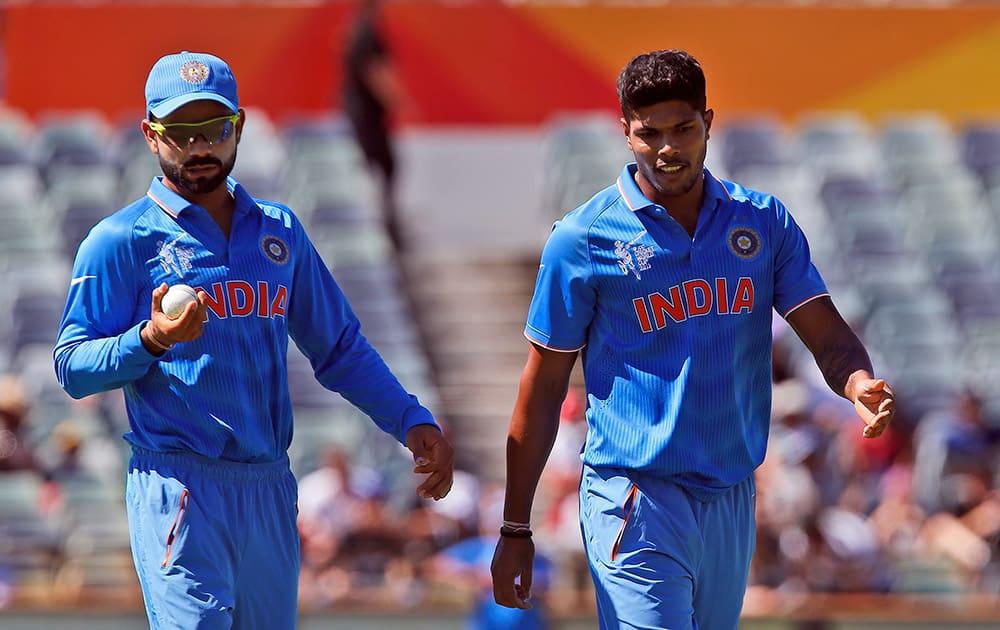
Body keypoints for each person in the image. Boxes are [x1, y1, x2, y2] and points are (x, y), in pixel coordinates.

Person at [490, 49, 895, 630]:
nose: (667, 148)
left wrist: (857, 383)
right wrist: (515, 527)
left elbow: (828, 336)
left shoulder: (762, 223)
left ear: (709, 121)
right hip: (632, 495)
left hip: (731, 494)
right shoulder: (582, 239)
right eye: (649, 133)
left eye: (682, 129)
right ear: (625, 133)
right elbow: (542, 385)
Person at [53, 51, 454, 629]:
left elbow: (338, 348)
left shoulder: (279, 232)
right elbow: (72, 367)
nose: (198, 149)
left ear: (237, 127)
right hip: (180, 486)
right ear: (149, 134)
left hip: (268, 486)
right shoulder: (120, 240)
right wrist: (150, 339)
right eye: (180, 133)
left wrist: (410, 420)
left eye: (213, 130)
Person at [342, 0, 410, 249]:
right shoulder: (366, 32)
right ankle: (383, 228)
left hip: (362, 115)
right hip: (367, 117)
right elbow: (374, 71)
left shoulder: (356, 30)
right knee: (384, 167)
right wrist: (396, 100)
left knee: (380, 169)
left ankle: (382, 227)